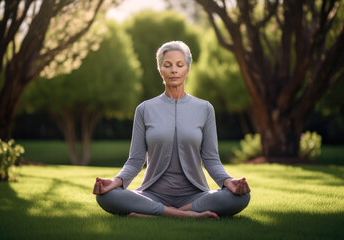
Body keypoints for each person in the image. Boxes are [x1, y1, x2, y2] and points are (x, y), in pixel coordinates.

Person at [93, 41, 250, 219]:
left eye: (179, 65)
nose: (174, 70)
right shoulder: (144, 109)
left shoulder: (205, 109)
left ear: (187, 69)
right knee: (106, 196)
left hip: (196, 195)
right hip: (152, 194)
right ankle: (187, 215)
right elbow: (135, 160)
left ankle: (159, 213)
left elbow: (211, 159)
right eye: (167, 65)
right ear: (160, 70)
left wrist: (229, 182)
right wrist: (115, 182)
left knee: (241, 196)